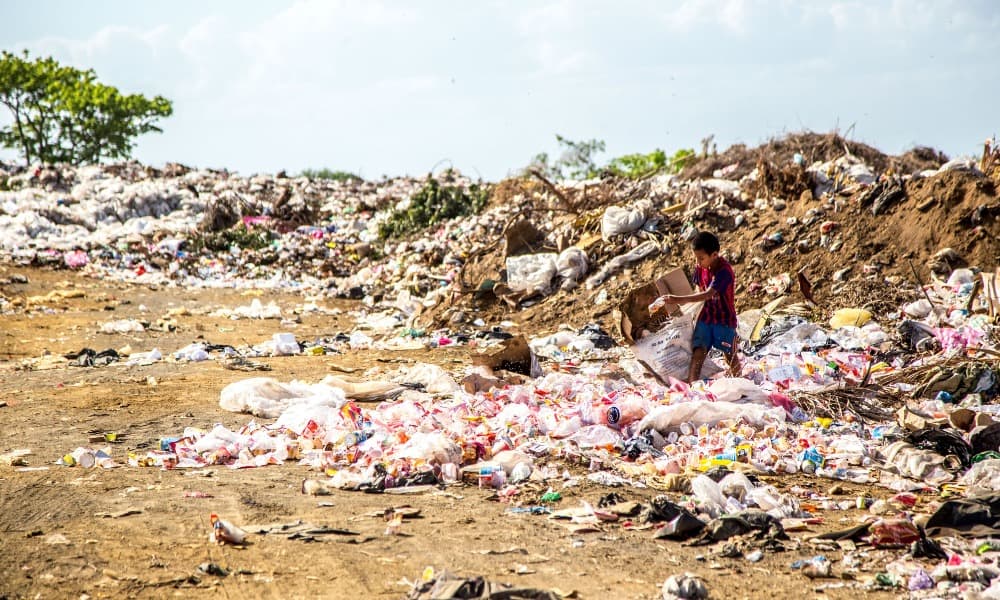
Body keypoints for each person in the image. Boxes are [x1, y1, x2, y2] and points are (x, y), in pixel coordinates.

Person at [651, 231, 741, 382]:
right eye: (696, 258)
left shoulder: (724, 272)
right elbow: (699, 290)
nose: (698, 263)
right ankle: (694, 387)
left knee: (729, 354)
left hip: (724, 319)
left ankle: (740, 382)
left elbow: (707, 294)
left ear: (714, 255)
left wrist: (676, 299)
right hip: (706, 317)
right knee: (698, 351)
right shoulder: (700, 268)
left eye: (701, 258)